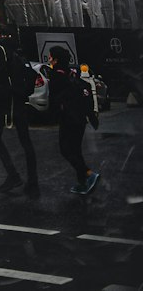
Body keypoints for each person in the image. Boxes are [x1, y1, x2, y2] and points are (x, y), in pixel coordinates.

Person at [0, 23, 38, 196]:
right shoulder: (19, 49)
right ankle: (33, 181)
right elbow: (30, 73)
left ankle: (13, 174)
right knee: (26, 141)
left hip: (4, 101)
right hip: (20, 100)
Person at [47, 45, 100, 195]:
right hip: (80, 118)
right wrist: (91, 116)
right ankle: (83, 183)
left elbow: (55, 98)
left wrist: (53, 114)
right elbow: (83, 93)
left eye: (50, 57)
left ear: (55, 59)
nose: (49, 59)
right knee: (75, 150)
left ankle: (89, 174)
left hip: (69, 118)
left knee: (65, 149)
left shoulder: (56, 75)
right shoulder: (72, 73)